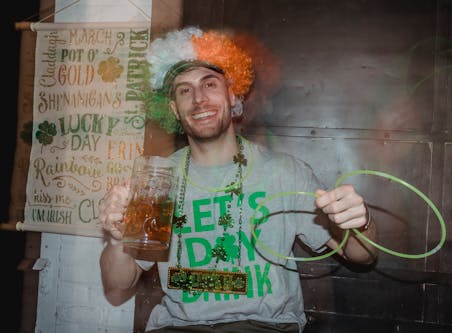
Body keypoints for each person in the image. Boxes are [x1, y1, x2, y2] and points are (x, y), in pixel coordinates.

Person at [99, 26, 377, 333]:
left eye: (210, 84)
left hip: (265, 327)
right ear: (174, 110)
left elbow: (362, 256)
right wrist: (115, 239)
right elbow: (116, 290)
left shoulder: (285, 173)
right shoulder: (157, 179)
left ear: (233, 95)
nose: (199, 99)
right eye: (184, 90)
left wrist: (359, 223)